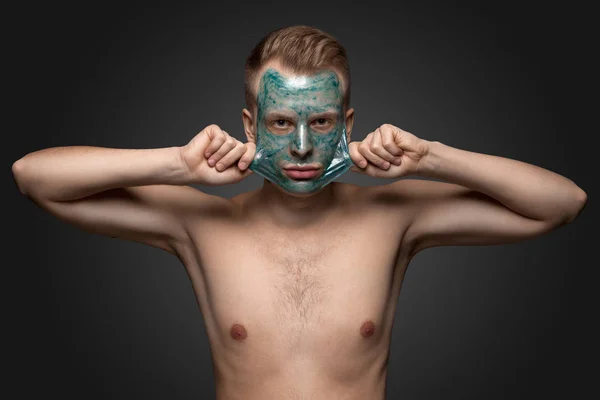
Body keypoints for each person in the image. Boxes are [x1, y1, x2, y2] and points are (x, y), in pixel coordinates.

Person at [11, 25, 587, 399]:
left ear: (348, 122)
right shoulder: (201, 224)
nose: (305, 148)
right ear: (250, 125)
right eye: (282, 123)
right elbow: (34, 178)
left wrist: (431, 157)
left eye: (324, 122)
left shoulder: (394, 218)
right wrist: (176, 166)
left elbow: (562, 204)